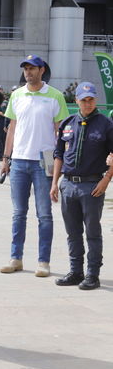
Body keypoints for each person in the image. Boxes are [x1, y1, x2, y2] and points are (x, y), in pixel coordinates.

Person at [0, 55, 69, 277]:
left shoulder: (55, 96)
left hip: (44, 162)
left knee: (44, 215)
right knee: (18, 213)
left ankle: (43, 261)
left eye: (32, 68)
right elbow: (12, 127)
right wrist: (5, 157)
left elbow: (61, 132)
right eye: (25, 69)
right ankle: (15, 258)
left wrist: (61, 164)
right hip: (19, 161)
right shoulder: (17, 95)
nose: (28, 72)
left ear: (42, 70)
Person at [50, 82, 113, 290]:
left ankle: (92, 274)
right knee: (73, 232)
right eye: (84, 100)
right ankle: (75, 271)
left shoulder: (106, 124)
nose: (88, 103)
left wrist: (106, 180)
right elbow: (58, 155)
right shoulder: (68, 123)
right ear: (76, 100)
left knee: (92, 232)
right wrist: (55, 183)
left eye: (91, 99)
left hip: (92, 185)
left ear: (95, 100)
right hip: (68, 185)